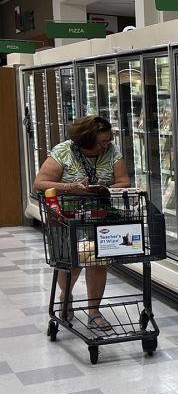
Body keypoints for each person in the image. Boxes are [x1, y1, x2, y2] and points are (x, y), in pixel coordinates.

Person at [33, 115, 130, 331]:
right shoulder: (63, 151)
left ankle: (94, 312)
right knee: (71, 263)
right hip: (65, 215)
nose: (105, 145)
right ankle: (66, 298)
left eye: (107, 140)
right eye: (100, 142)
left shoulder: (112, 151)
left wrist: (106, 188)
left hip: (98, 214)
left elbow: (124, 181)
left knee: (97, 261)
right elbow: (40, 183)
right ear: (85, 140)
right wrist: (70, 188)